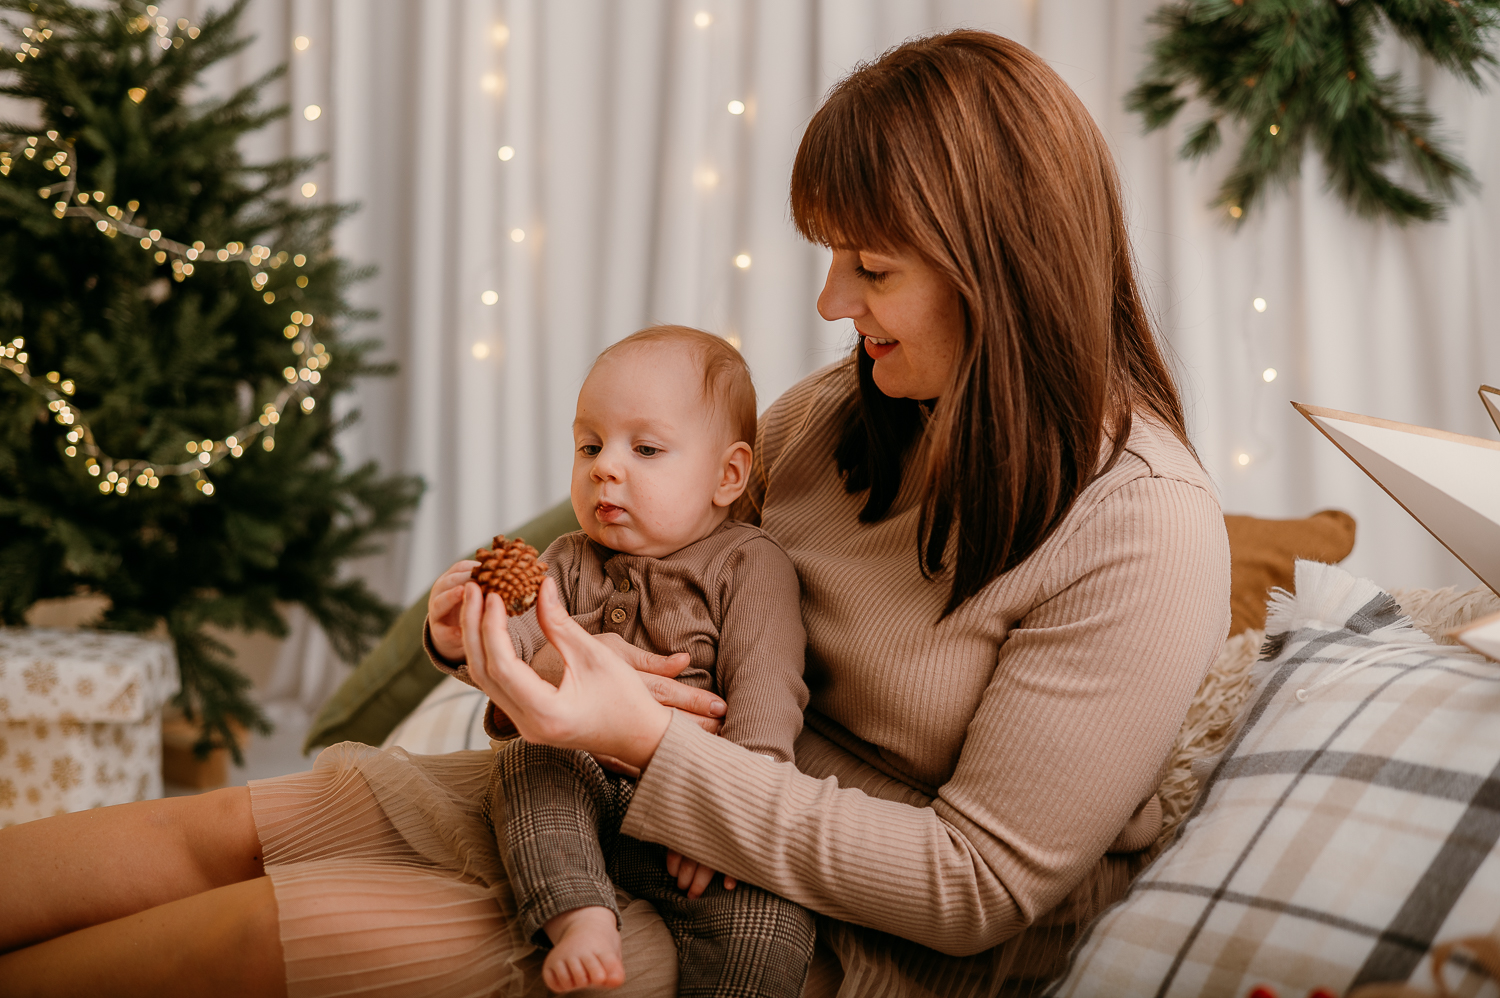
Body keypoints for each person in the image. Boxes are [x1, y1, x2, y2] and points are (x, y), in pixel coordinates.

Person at [0, 30, 1230, 998]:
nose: (828, 301)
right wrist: (503, 643)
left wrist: (650, 744)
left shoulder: (1142, 527)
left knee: (234, 936)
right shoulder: (840, 414)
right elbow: (642, 573)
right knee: (215, 829)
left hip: (808, 921)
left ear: (1000, 265)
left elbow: (973, 887)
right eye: (832, 254)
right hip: (610, 802)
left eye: (872, 266)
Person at [426, 325, 815, 995]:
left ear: (728, 475)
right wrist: (460, 633)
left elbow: (767, 703)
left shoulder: (750, 565)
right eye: (590, 445)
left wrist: (725, 820)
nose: (605, 466)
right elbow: (515, 648)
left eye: (646, 448)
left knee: (772, 919)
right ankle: (579, 918)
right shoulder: (567, 558)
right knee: (528, 761)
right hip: (579, 786)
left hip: (689, 804)